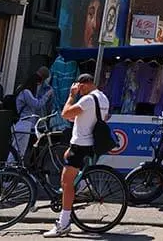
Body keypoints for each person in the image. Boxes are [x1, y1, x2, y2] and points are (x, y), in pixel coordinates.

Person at [43, 73, 109, 238]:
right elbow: (102, 117)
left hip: (80, 145)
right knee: (68, 170)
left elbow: (65, 114)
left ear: (84, 84)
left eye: (78, 88)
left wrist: (71, 96)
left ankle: (63, 224)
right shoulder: (103, 98)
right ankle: (82, 186)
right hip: (89, 144)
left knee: (66, 183)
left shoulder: (86, 99)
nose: (77, 91)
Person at [9, 67, 53, 164]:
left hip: (24, 124)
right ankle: (7, 175)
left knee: (19, 151)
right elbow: (37, 104)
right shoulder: (26, 92)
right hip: (24, 124)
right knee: (18, 151)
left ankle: (11, 174)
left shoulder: (23, 90)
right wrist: (47, 95)